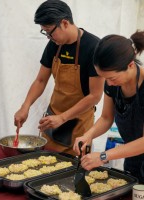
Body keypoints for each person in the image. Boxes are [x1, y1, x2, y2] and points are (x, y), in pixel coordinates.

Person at [14, 0, 104, 155]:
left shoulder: (94, 47)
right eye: (45, 32)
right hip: (53, 119)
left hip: (78, 123)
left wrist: (63, 118)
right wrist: (25, 106)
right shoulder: (54, 45)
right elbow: (41, 80)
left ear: (64, 23)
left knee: (71, 172)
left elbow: (95, 96)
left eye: (50, 31)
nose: (48, 37)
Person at [73, 30, 144, 182]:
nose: (109, 83)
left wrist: (103, 156)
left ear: (130, 65)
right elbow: (106, 118)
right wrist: (88, 135)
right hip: (133, 157)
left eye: (112, 78)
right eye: (105, 78)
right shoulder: (112, 83)